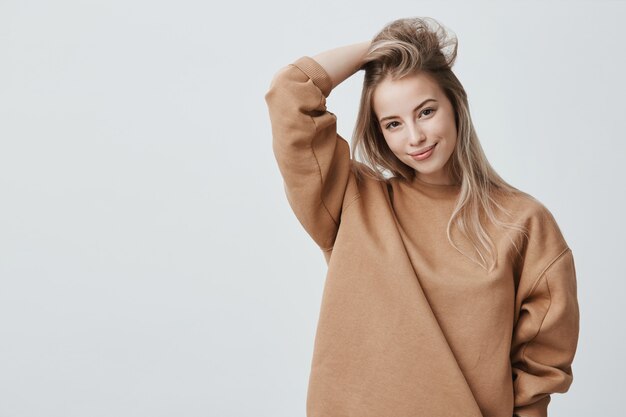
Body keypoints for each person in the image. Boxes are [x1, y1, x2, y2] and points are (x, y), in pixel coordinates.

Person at [264, 16, 579, 417]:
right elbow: (290, 94)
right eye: (393, 123)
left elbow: (540, 368)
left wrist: (417, 55)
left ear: (454, 104)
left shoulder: (523, 222)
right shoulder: (353, 202)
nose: (414, 137)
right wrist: (381, 51)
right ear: (380, 133)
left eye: (426, 111)